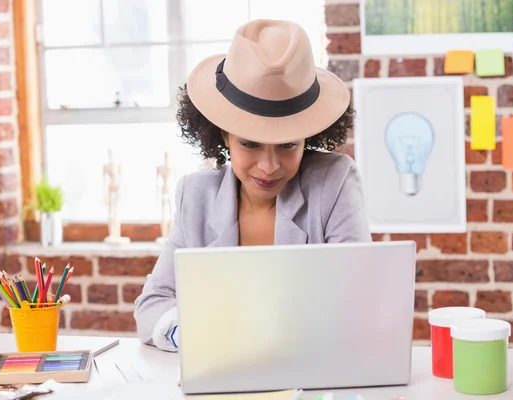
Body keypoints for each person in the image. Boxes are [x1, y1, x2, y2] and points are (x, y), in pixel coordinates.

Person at [134, 19, 372, 352]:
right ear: (223, 134)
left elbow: (361, 300)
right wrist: (186, 335)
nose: (269, 166)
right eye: (250, 144)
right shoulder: (196, 196)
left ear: (309, 138)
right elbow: (153, 303)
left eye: (288, 145)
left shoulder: (334, 183)